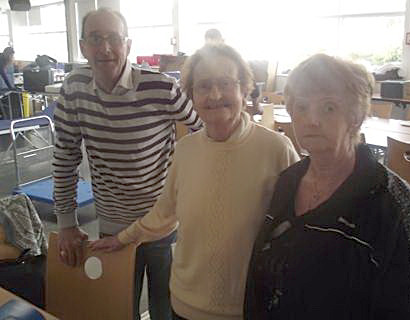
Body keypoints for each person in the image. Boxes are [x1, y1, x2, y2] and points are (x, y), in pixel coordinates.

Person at [90, 43, 300, 320]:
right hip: (185, 302)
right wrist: (122, 238)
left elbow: (298, 227)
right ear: (191, 96)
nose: (214, 95)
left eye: (225, 83)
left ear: (244, 89)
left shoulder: (277, 149)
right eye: (203, 86)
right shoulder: (186, 150)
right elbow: (164, 213)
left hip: (246, 307)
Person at [244, 54, 410, 319]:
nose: (311, 120)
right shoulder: (286, 183)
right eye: (302, 107)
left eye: (328, 108)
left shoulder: (391, 201)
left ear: (354, 117)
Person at [52, 7, 202, 320]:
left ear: (128, 45)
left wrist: (192, 190)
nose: (105, 47)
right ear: (82, 46)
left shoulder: (161, 87)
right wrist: (66, 223)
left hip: (160, 221)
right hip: (111, 224)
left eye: (113, 38)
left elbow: (204, 129)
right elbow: (65, 154)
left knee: (165, 306)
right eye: (95, 38)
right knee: (119, 306)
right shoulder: (73, 89)